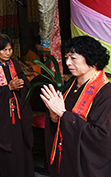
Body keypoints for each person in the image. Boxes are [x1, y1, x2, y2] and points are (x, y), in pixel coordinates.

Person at [41, 36, 111, 177]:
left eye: (73, 58)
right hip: (66, 160)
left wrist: (63, 114)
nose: (67, 63)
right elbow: (61, 123)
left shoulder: (105, 93)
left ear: (92, 60)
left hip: (84, 167)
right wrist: (54, 118)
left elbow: (102, 138)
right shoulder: (71, 86)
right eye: (66, 58)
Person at [0, 34, 34, 177]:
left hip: (18, 113)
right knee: (5, 149)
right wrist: (8, 88)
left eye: (10, 49)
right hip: (2, 116)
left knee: (21, 146)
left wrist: (21, 85)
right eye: (4, 50)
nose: (8, 53)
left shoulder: (13, 63)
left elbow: (25, 81)